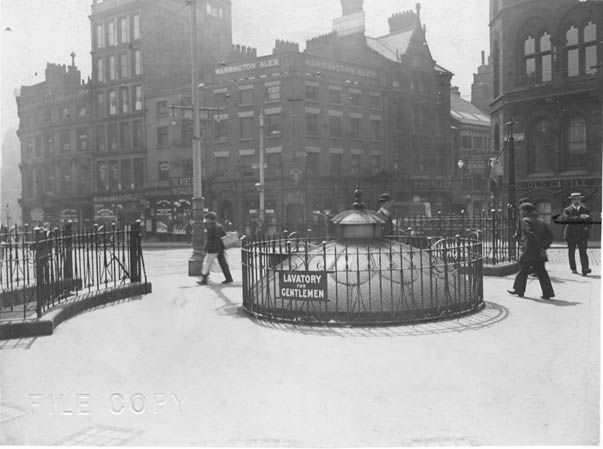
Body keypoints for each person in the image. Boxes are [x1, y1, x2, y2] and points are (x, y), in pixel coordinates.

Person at [508, 202, 555, 300]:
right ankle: (548, 292)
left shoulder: (525, 220)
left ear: (526, 211)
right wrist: (543, 247)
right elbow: (550, 236)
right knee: (541, 272)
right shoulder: (541, 221)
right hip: (539, 251)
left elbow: (530, 234)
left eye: (522, 210)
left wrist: (534, 245)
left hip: (529, 250)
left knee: (523, 269)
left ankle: (519, 289)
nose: (520, 212)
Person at [198, 211, 233, 285]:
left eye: (207, 218)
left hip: (213, 248)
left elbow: (209, 239)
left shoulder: (210, 227)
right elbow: (224, 235)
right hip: (220, 248)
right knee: (223, 264)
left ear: (210, 219)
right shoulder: (219, 226)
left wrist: (205, 249)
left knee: (207, 263)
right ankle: (229, 278)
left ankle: (204, 279)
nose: (206, 220)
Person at [563, 192, 592, 276]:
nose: (576, 201)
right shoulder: (567, 210)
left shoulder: (585, 210)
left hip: (582, 235)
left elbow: (589, 221)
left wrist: (586, 228)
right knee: (571, 252)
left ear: (580, 200)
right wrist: (579, 217)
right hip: (571, 234)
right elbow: (567, 219)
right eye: (574, 199)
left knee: (583, 252)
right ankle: (573, 268)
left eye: (578, 199)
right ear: (571, 200)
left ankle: (585, 269)